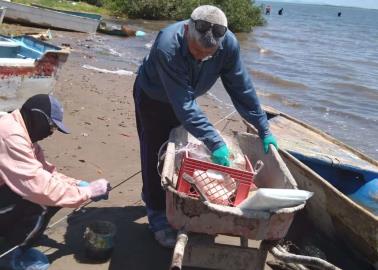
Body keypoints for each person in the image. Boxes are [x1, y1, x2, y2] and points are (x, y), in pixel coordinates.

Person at [133, 5, 278, 248]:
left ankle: (171, 201)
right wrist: (215, 142)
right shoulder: (168, 45)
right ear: (187, 29)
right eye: (197, 50)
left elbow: (241, 88)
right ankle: (157, 214)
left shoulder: (228, 44)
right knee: (154, 153)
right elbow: (185, 104)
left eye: (209, 53)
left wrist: (263, 127)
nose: (201, 57)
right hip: (154, 98)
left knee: (179, 154)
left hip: (183, 100)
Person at [0, 94, 110, 267]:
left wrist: (79, 184)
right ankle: (9, 255)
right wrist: (87, 192)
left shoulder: (23, 132)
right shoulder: (11, 136)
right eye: (51, 127)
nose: (50, 134)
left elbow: (45, 172)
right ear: (37, 117)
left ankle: (9, 235)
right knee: (42, 202)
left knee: (54, 194)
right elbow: (39, 187)